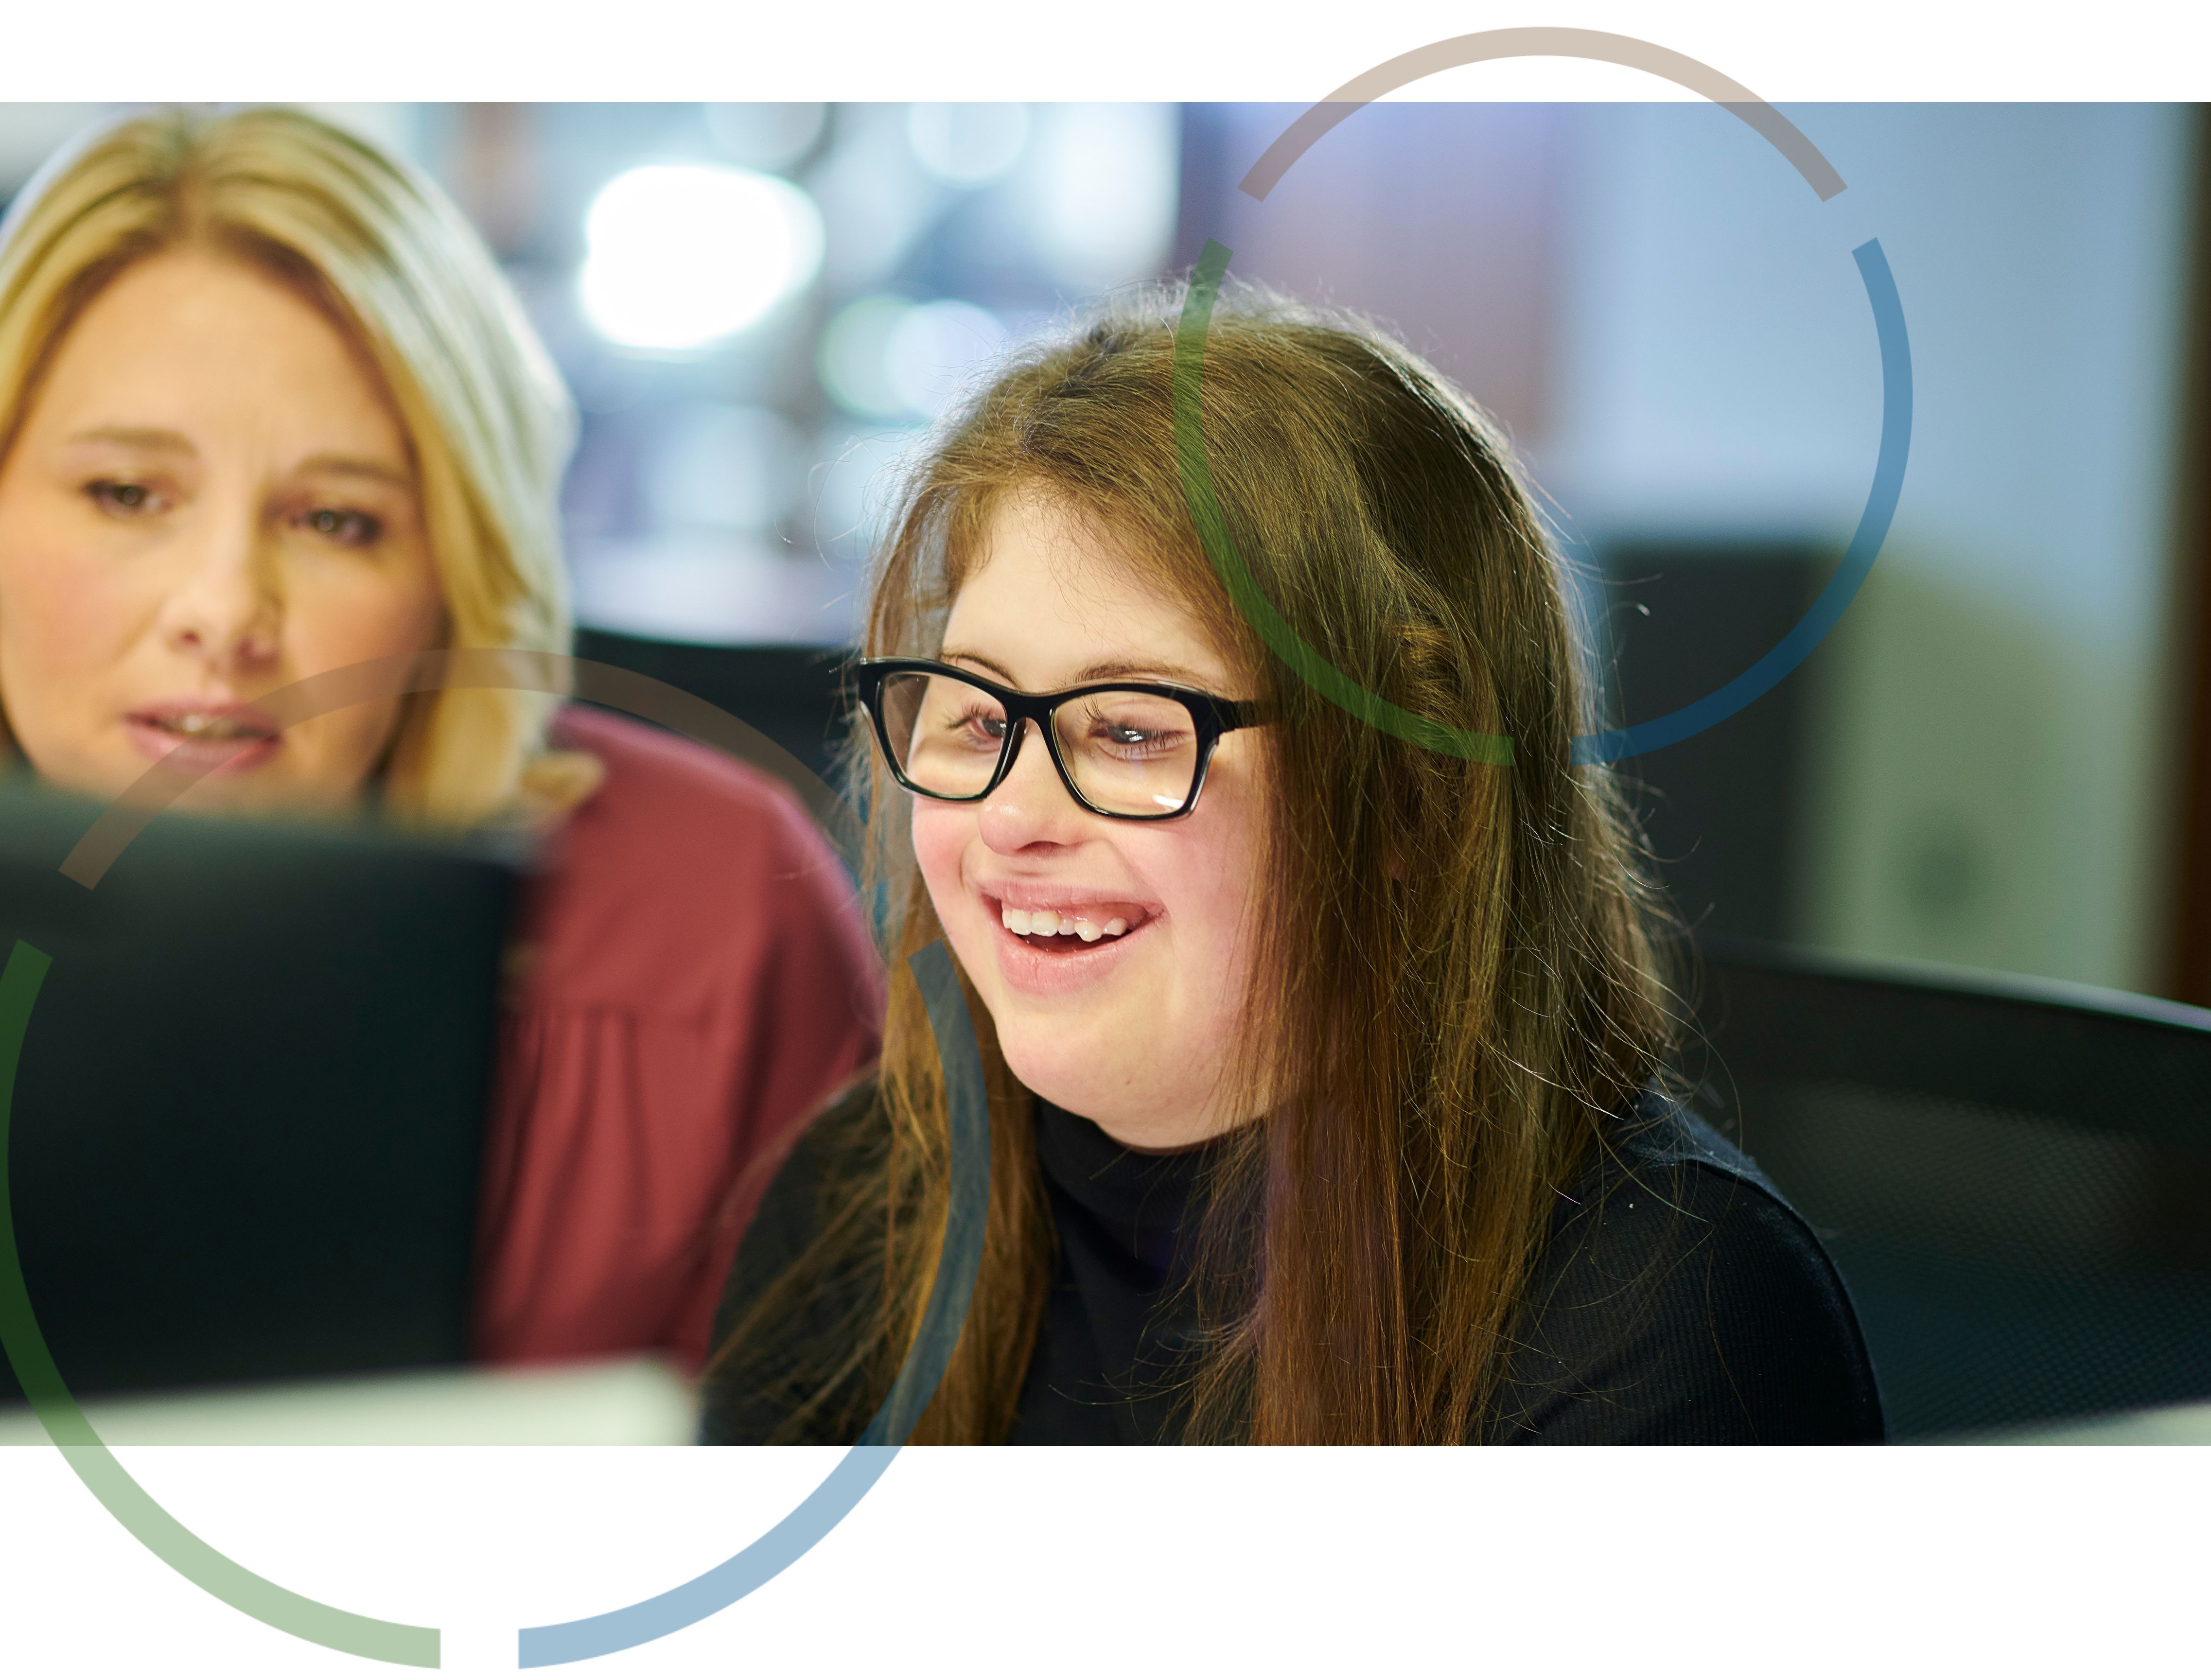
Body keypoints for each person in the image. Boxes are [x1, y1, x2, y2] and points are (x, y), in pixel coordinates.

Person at [701, 287, 1883, 1445]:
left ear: (1412, 796)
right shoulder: (864, 1202)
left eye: (1128, 730)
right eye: (971, 712)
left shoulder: (1668, 1326)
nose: (1011, 816)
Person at [0, 106, 880, 1369]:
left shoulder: (717, 911)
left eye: (335, 522)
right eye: (126, 494)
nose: (222, 613)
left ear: (450, 586)